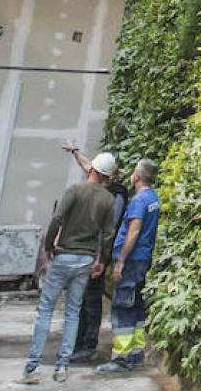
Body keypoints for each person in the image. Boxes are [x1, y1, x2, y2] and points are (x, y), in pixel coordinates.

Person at [19, 149, 118, 384]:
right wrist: (101, 261)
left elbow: (57, 218)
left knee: (46, 310)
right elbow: (108, 234)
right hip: (85, 261)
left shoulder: (75, 190)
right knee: (73, 312)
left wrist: (48, 245)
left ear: (92, 168)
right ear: (108, 176)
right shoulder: (108, 199)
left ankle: (32, 367)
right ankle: (62, 366)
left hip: (64, 256)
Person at [62, 143, 130, 365]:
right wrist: (75, 152)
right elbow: (87, 165)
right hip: (86, 252)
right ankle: (78, 342)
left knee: (91, 299)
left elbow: (109, 230)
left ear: (105, 177)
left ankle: (88, 345)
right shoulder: (99, 183)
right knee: (80, 299)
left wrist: (101, 259)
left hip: (98, 257)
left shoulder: (116, 195)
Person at [100, 159, 160, 374]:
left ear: (138, 175)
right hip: (143, 259)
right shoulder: (153, 198)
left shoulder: (138, 201)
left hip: (132, 260)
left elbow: (133, 231)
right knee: (135, 306)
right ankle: (136, 353)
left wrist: (121, 262)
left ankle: (121, 358)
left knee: (123, 307)